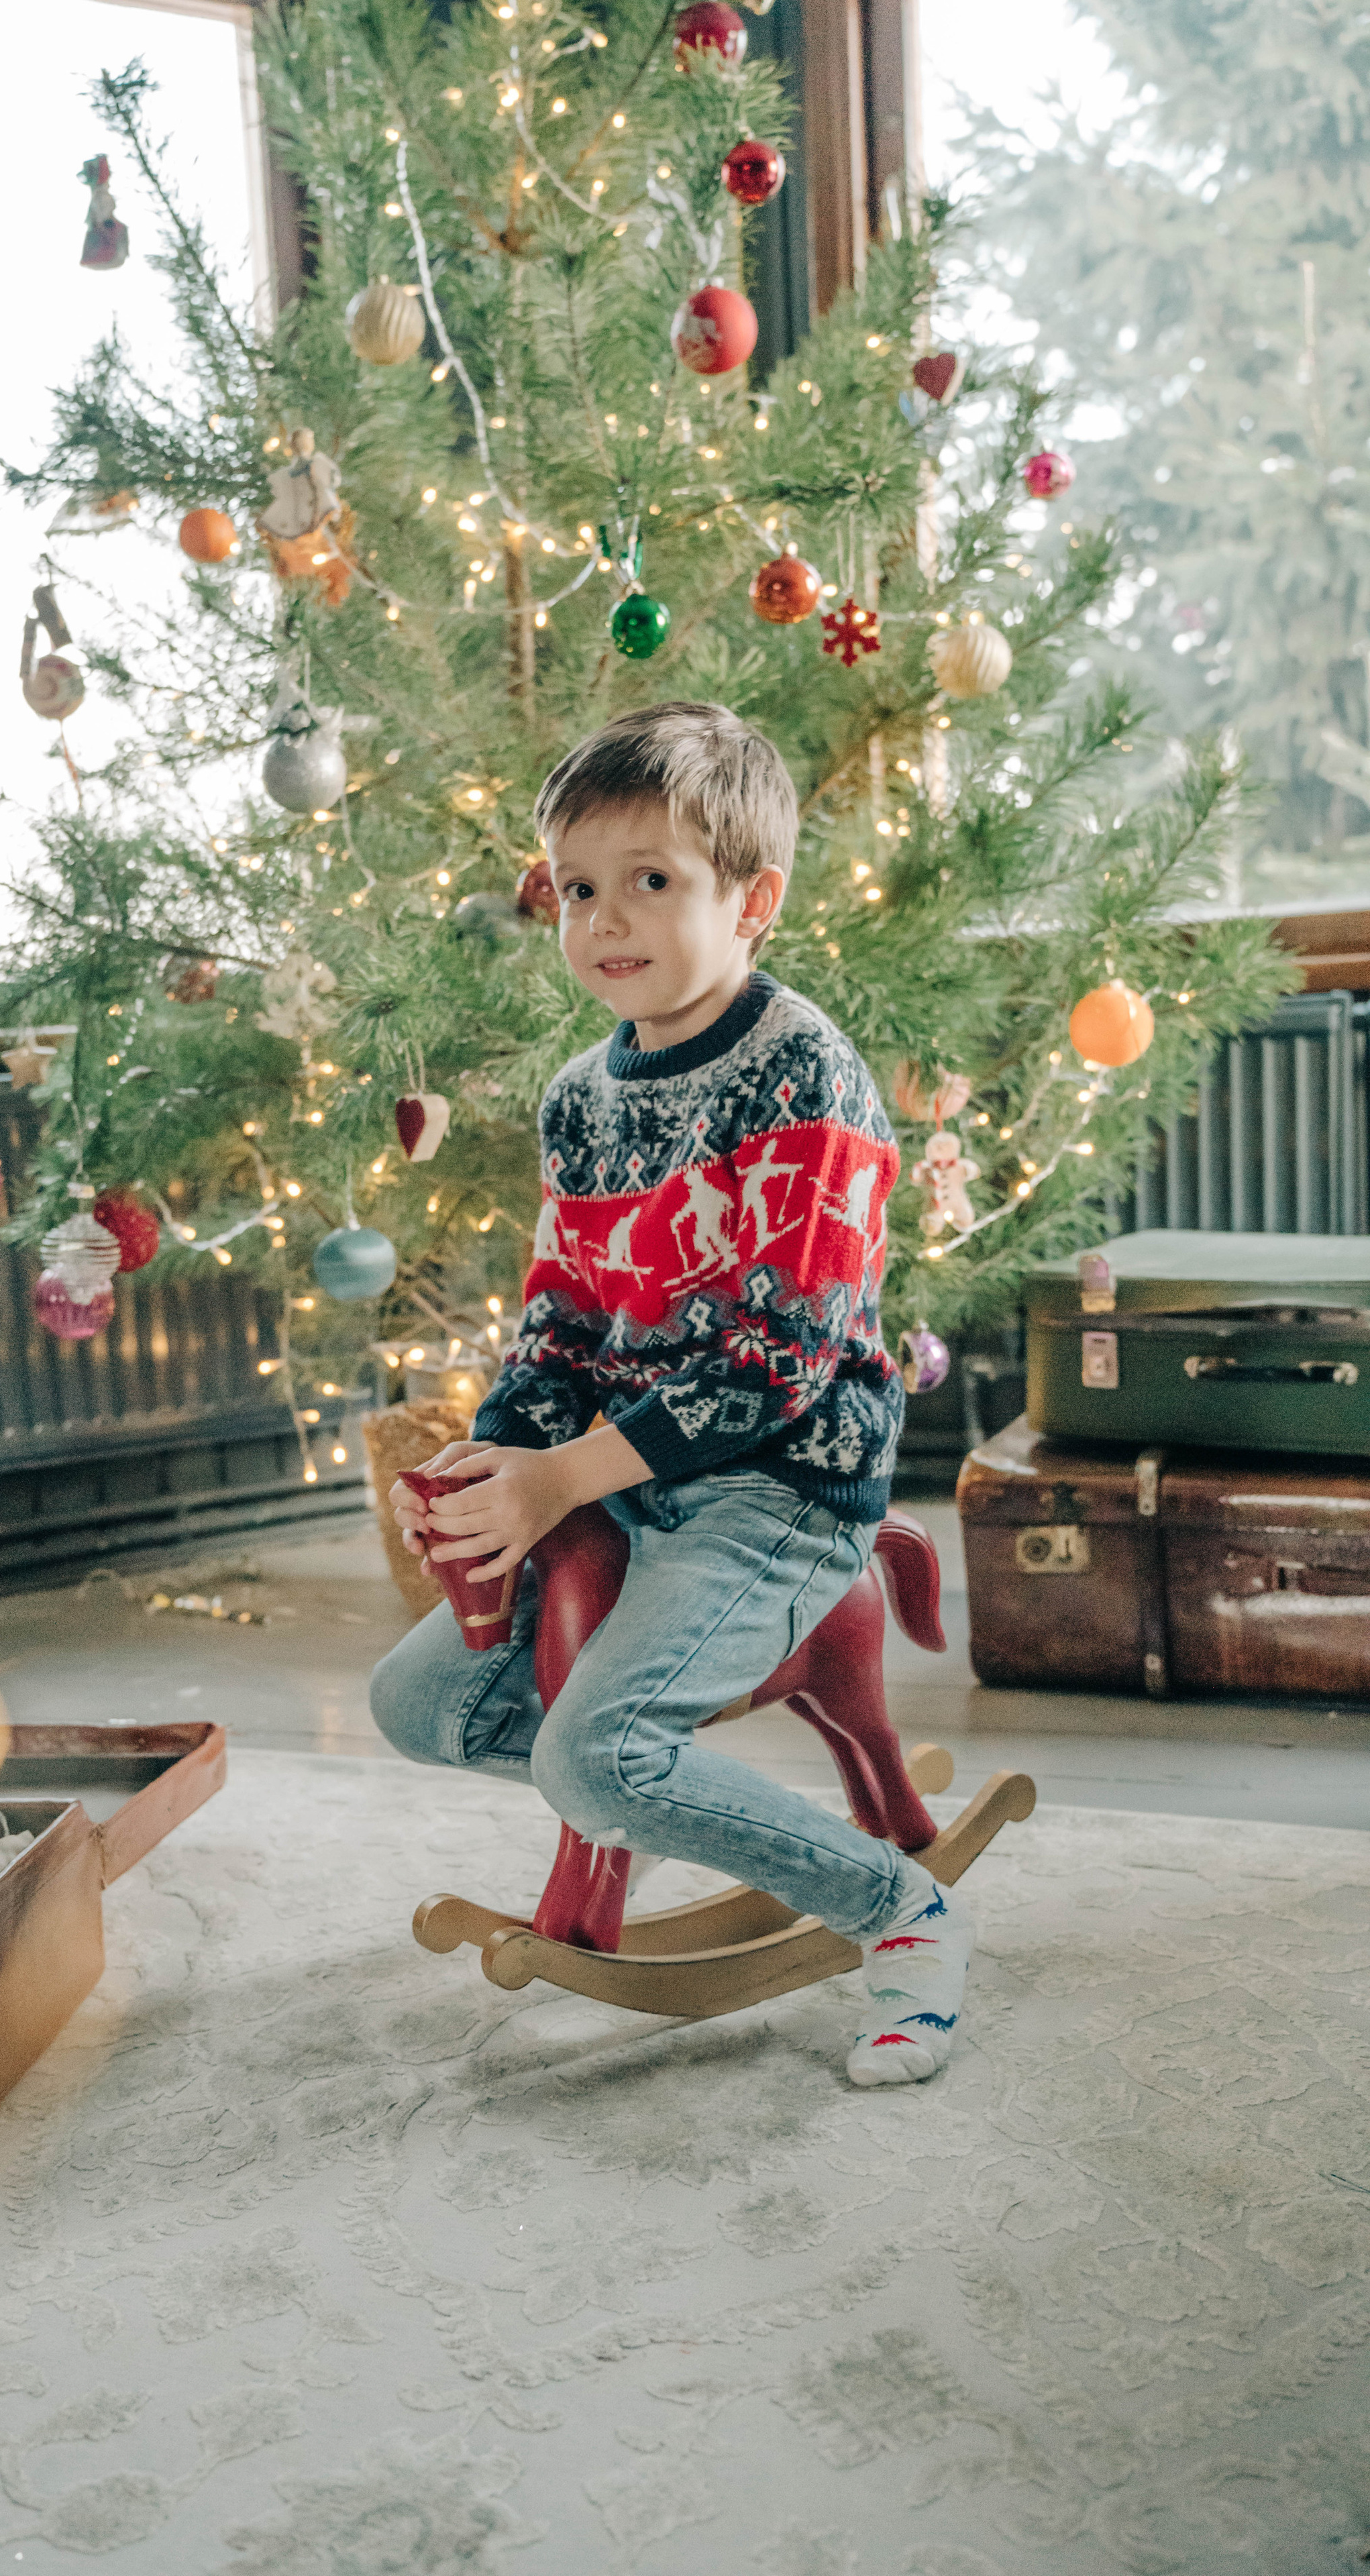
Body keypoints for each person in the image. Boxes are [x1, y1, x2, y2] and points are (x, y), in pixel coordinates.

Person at [368, 702, 969, 2086]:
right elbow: (560, 1320)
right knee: (424, 1708)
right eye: (578, 887)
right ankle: (658, 1787)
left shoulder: (801, 1075)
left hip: (777, 1486)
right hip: (620, 1475)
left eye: (651, 880)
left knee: (596, 1760)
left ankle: (901, 1911)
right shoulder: (584, 1098)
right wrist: (493, 1466)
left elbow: (776, 1363)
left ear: (751, 901)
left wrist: (567, 1476)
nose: (605, 920)